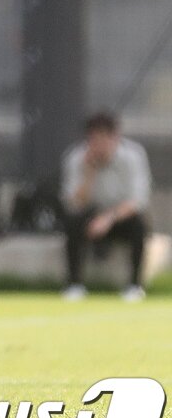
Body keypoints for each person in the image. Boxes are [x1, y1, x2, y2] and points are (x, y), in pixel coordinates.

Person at [61, 111, 152, 302]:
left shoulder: (133, 157)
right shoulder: (76, 158)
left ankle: (135, 285)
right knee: (72, 223)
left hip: (120, 217)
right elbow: (75, 203)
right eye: (94, 140)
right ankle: (74, 284)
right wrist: (88, 174)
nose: (99, 146)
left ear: (115, 137)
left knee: (139, 226)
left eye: (104, 139)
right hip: (90, 217)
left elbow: (138, 200)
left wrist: (108, 219)